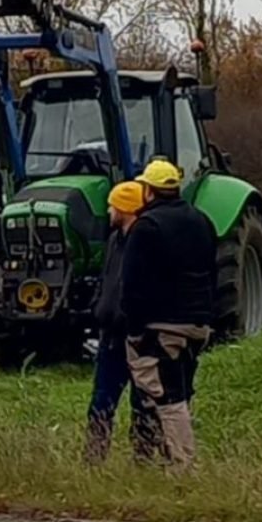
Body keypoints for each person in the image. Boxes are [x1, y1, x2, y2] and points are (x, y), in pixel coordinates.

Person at [121, 158, 218, 467]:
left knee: (167, 397)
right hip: (198, 324)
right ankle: (164, 460)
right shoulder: (202, 220)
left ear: (148, 191)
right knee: (180, 393)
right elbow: (212, 272)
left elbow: (133, 284)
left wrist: (134, 330)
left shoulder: (146, 228)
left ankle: (182, 467)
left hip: (161, 326)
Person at [85, 181, 162, 464]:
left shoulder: (144, 241)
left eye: (112, 204)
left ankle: (143, 459)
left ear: (125, 208)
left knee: (143, 403)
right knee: (101, 402)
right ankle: (94, 459)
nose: (108, 210)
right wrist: (98, 306)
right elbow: (107, 280)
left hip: (137, 335)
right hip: (111, 336)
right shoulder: (114, 240)